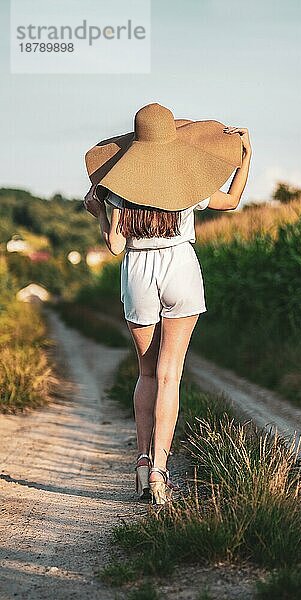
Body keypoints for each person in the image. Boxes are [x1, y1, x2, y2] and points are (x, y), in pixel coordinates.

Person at [83, 103, 252, 504]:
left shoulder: (121, 190)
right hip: (180, 267)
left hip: (138, 273)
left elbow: (115, 247)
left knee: (146, 373)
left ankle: (141, 464)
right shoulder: (187, 184)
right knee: (169, 375)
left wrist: (101, 216)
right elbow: (231, 201)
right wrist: (246, 158)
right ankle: (161, 471)